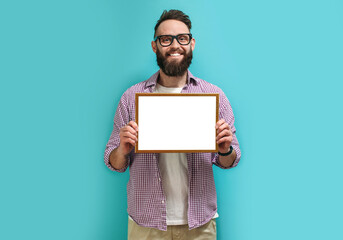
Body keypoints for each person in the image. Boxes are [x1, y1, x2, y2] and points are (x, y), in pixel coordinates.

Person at [104, 9, 241, 240]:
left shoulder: (213, 95)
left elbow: (230, 161)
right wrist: (123, 150)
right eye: (166, 39)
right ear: (155, 46)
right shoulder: (131, 97)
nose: (175, 45)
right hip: (146, 224)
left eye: (182, 38)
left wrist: (224, 148)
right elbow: (113, 162)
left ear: (192, 43)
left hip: (199, 224)